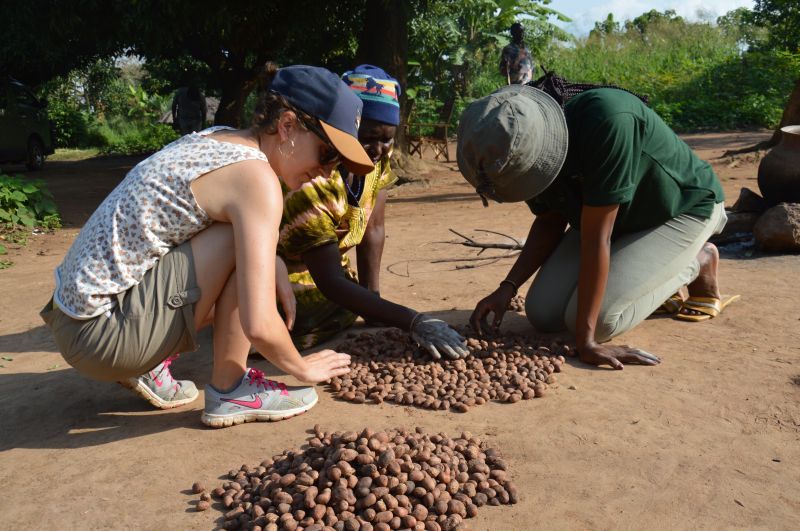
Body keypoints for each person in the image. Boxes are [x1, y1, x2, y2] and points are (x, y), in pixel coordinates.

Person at [40, 65, 373, 427]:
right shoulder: (256, 179)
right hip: (100, 337)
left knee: (251, 246)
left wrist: (272, 257)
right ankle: (231, 390)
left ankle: (151, 363)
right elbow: (259, 321)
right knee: (238, 242)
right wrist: (301, 367)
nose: (328, 172)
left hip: (72, 316)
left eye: (338, 164)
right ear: (287, 126)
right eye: (327, 154)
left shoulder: (221, 140)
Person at [457, 84, 739, 369]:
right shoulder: (517, 148)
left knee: (602, 322)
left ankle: (698, 261)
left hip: (677, 210)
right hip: (612, 221)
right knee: (543, 314)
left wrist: (587, 342)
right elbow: (549, 220)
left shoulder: (608, 120)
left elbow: (597, 240)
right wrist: (508, 287)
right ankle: (645, 275)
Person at [277, 64, 468, 360]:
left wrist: (372, 298)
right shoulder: (311, 181)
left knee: (355, 298)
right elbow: (329, 281)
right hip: (288, 273)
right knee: (303, 310)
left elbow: (374, 226)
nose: (377, 149)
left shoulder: (378, 160)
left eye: (387, 139)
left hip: (331, 272)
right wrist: (412, 320)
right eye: (367, 137)